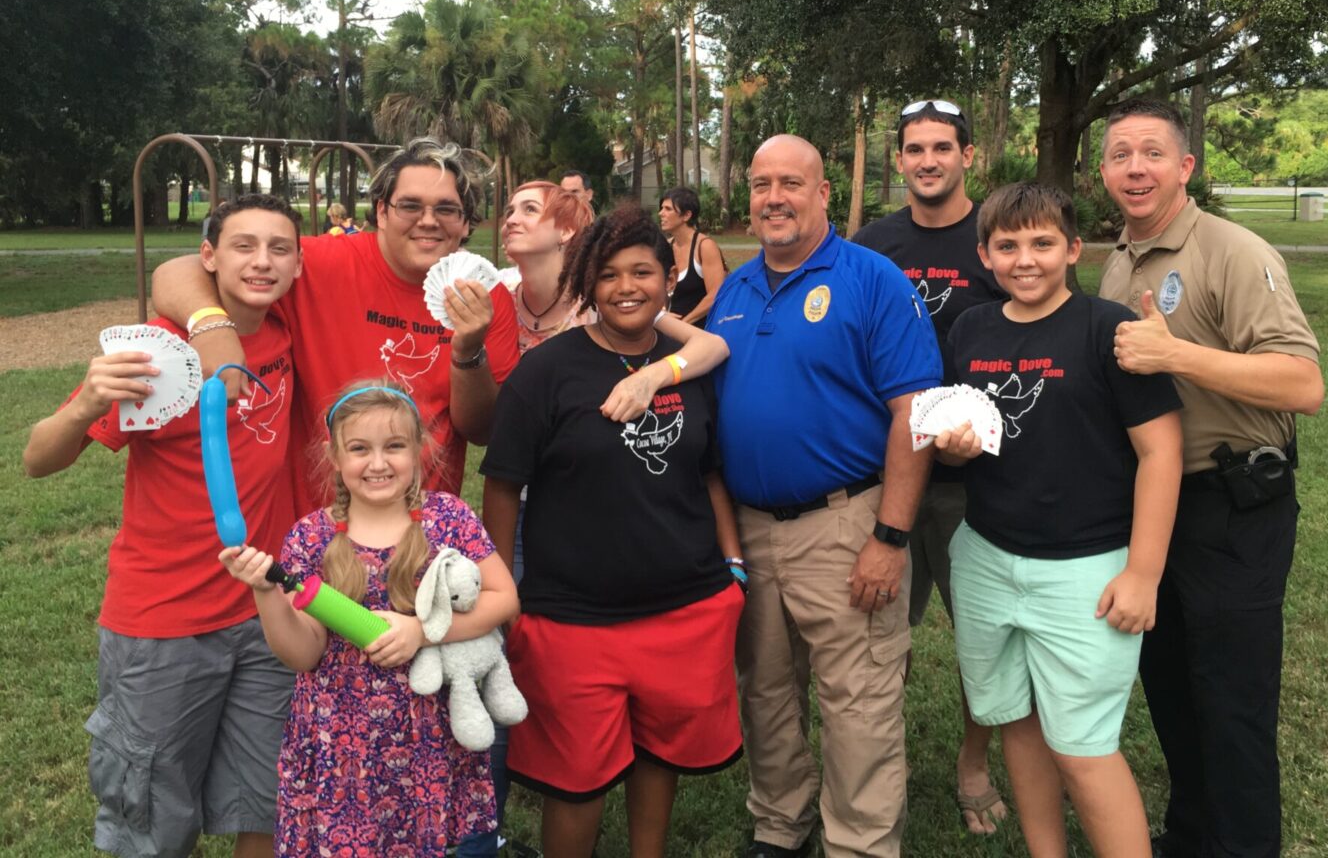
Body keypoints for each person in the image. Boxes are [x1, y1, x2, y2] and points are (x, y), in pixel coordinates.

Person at [23, 194, 305, 858]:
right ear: (208, 258)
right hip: (163, 620)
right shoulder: (158, 355)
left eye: (279, 248)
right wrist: (87, 403)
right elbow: (38, 460)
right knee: (151, 816)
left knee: (266, 801)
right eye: (242, 246)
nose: (261, 262)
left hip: (268, 612)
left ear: (297, 265)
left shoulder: (286, 326)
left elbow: (190, 273)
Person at [480, 207, 746, 858]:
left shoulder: (690, 367)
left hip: (684, 606)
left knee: (661, 756)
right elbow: (501, 487)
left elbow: (711, 474)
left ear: (666, 280)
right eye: (608, 275)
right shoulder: (547, 374)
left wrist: (733, 567)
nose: (627, 287)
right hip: (571, 618)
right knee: (575, 781)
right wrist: (501, 593)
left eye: (643, 272)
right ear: (586, 284)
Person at [1097, 99, 1324, 858]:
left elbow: (1302, 384)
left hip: (1235, 504)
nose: (1136, 168)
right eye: (1120, 154)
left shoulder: (1231, 250)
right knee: (1172, 690)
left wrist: (1178, 356)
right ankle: (1194, 835)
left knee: (1232, 703)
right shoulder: (1121, 259)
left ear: (1186, 166)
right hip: (1157, 508)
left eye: (1153, 153)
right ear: (1104, 172)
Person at [708, 134, 941, 858]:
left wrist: (890, 537)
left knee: (858, 701)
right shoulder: (737, 289)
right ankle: (781, 826)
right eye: (760, 183)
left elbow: (915, 413)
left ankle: (861, 844)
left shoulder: (872, 279)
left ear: (823, 194)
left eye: (789, 183)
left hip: (845, 525)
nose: (773, 198)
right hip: (751, 529)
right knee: (766, 691)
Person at [934, 182, 1183, 858]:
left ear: (1073, 248)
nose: (1026, 259)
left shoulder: (1107, 329)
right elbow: (970, 432)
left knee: (1083, 748)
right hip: (987, 554)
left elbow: (1161, 452)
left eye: (1043, 243)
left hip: (1086, 569)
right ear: (984, 255)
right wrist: (954, 444)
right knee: (1015, 719)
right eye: (1008, 245)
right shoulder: (970, 330)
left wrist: (1143, 572)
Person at [221, 382, 519, 856]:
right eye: (360, 449)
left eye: (394, 446)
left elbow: (504, 599)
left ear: (419, 449)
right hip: (341, 746)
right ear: (334, 456)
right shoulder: (311, 537)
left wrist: (421, 632)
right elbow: (303, 653)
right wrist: (266, 595)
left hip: (431, 740)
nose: (378, 464)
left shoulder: (448, 518)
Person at [153, 137, 521, 518]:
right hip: (313, 526)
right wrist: (211, 326)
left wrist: (468, 351)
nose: (428, 221)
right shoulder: (319, 264)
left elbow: (481, 430)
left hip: (417, 527)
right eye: (410, 205)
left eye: (446, 209)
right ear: (381, 211)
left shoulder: (485, 296)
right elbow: (176, 273)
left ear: (464, 223)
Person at [851, 98, 1008, 833]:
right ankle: (885, 765)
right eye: (914, 149)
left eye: (942, 147)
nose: (927, 161)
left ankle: (973, 763)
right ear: (901, 159)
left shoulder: (998, 237)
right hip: (886, 474)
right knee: (883, 636)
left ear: (967, 156)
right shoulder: (874, 243)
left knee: (980, 634)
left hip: (978, 479)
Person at [659, 186, 727, 327]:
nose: (661, 213)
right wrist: (661, 313)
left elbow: (715, 294)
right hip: (669, 331)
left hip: (701, 332)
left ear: (686, 215)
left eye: (668, 209)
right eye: (661, 208)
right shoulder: (666, 245)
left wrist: (684, 324)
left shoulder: (705, 246)